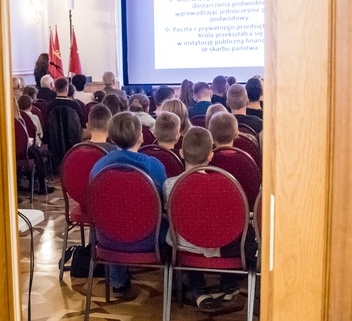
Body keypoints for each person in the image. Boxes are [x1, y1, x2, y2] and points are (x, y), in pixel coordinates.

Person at [90, 112, 167, 297]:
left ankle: (117, 281)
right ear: (141, 137)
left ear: (111, 136)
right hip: (150, 239)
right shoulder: (155, 166)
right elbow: (164, 204)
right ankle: (173, 284)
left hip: (107, 238)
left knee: (114, 214)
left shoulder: (98, 166)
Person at [163, 127, 243, 307]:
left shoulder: (169, 185)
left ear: (181, 153)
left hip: (182, 247)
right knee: (236, 232)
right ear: (211, 155)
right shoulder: (226, 185)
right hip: (217, 245)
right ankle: (228, 284)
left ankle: (198, 288)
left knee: (190, 229)